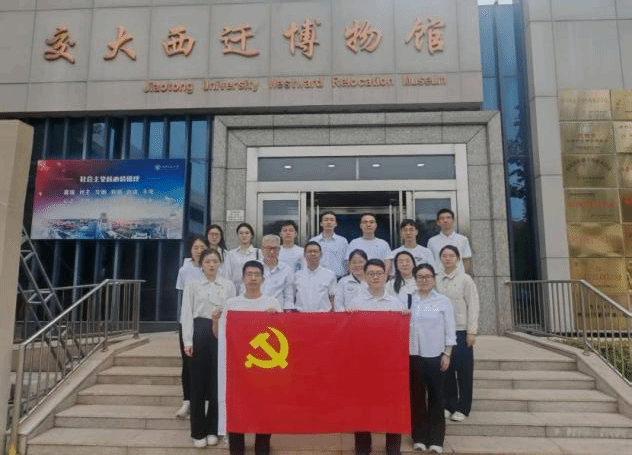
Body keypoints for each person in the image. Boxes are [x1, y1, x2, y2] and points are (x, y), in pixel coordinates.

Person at [214, 260, 281, 455]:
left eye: (257, 275)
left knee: (264, 414)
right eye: (249, 274)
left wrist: (276, 318)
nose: (253, 278)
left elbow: (281, 336)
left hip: (264, 371)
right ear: (242, 278)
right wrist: (215, 321)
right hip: (238, 370)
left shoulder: (272, 303)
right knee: (237, 412)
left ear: (263, 279)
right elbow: (219, 336)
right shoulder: (232, 304)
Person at [346, 259, 406, 455]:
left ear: (386, 276)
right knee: (362, 405)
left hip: (389, 364)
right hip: (363, 364)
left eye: (379, 273)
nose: (376, 277)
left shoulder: (396, 303)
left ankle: (393, 446)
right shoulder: (356, 303)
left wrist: (404, 318)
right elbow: (348, 334)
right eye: (371, 274)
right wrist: (349, 317)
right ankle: (363, 447)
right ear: (365, 276)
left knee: (392, 405)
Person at [181, 249, 236, 448]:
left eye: (215, 261)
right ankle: (198, 431)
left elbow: (233, 311)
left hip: (221, 332)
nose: (211, 265)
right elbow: (186, 314)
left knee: (217, 382)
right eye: (207, 261)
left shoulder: (228, 285)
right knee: (197, 382)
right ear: (201, 264)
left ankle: (213, 428)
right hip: (200, 330)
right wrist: (188, 341)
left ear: (220, 264)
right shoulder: (192, 285)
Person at [409, 263, 456, 454]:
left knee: (436, 397)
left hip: (436, 355)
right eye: (420, 277)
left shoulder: (443, 301)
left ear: (434, 279)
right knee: (417, 398)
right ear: (415, 279)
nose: (424, 280)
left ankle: (437, 440)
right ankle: (419, 438)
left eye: (428, 277)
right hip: (414, 355)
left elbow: (450, 329)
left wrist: (447, 353)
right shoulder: (409, 299)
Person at [436, 245, 480, 422]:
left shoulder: (466, 280)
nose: (447, 259)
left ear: (458, 259)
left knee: (464, 371)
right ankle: (449, 405)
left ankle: (463, 408)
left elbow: (473, 306)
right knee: (446, 370)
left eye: (451, 256)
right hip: (441, 331)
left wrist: (472, 331)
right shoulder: (436, 279)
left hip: (461, 331)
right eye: (444, 256)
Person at [174, 235, 208, 419]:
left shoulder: (212, 268)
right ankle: (187, 401)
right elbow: (183, 297)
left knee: (205, 362)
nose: (199, 251)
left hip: (206, 322)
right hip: (187, 322)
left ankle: (204, 401)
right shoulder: (184, 270)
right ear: (190, 250)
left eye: (202, 247)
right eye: (195, 247)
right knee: (187, 363)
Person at [241, 234, 294, 310]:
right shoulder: (253, 268)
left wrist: (287, 313)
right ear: (262, 249)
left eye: (275, 248)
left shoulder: (287, 270)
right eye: (268, 248)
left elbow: (289, 297)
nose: (272, 252)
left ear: (279, 250)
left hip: (277, 312)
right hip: (254, 310)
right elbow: (243, 290)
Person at [293, 241, 336, 312]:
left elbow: (333, 298)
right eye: (309, 251)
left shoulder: (330, 275)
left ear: (321, 254)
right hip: (301, 315)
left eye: (315, 251)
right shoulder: (297, 275)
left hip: (323, 315)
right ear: (304, 255)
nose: (312, 254)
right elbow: (293, 297)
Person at [427, 209, 472, 274]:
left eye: (448, 218)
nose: (445, 220)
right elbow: (430, 261)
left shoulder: (463, 239)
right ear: (438, 222)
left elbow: (466, 260)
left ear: (453, 221)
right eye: (442, 218)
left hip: (458, 276)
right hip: (439, 277)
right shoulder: (432, 241)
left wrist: (464, 275)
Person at [309, 211, 348, 279]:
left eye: (332, 220)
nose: (329, 222)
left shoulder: (342, 241)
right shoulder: (313, 241)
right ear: (321, 223)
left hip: (338, 278)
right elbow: (308, 260)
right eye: (326, 220)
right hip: (318, 278)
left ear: (335, 224)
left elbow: (346, 261)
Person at [225, 222, 260, 289]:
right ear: (237, 235)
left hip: (253, 289)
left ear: (251, 235)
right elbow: (227, 275)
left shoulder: (258, 253)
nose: (244, 236)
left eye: (247, 233)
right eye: (241, 233)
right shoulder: (231, 254)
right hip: (235, 290)